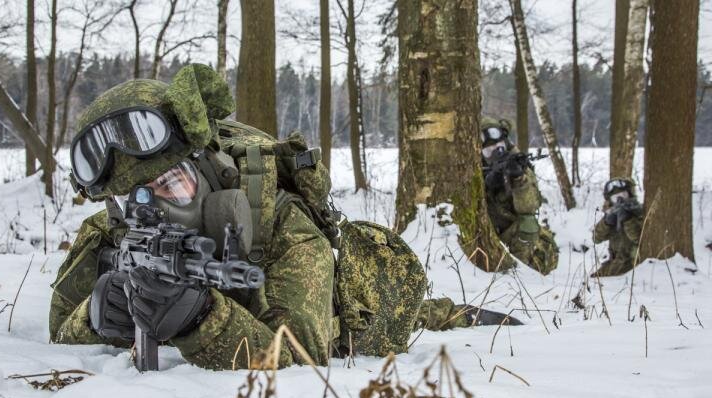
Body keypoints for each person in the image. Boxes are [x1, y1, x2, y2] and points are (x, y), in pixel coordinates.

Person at [49, 64, 519, 371]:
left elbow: (301, 358)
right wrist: (94, 316)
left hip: (342, 308)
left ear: (209, 170)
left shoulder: (280, 222)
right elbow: (57, 325)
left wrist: (199, 319)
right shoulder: (115, 230)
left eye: (173, 182)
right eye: (138, 198)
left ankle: (461, 310)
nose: (157, 208)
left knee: (417, 311)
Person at [480, 117, 559, 275]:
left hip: (515, 236)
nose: (496, 152)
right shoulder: (476, 169)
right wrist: (486, 185)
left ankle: (523, 272)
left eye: (500, 147)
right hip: (486, 233)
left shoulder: (518, 165)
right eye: (489, 151)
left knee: (528, 223)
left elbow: (529, 207)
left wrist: (518, 178)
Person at [591, 178, 643, 277]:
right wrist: (607, 222)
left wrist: (628, 220)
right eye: (615, 198)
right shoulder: (613, 214)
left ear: (630, 194)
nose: (620, 200)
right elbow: (596, 238)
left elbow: (639, 238)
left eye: (623, 195)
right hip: (616, 265)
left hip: (634, 265)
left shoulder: (640, 212)